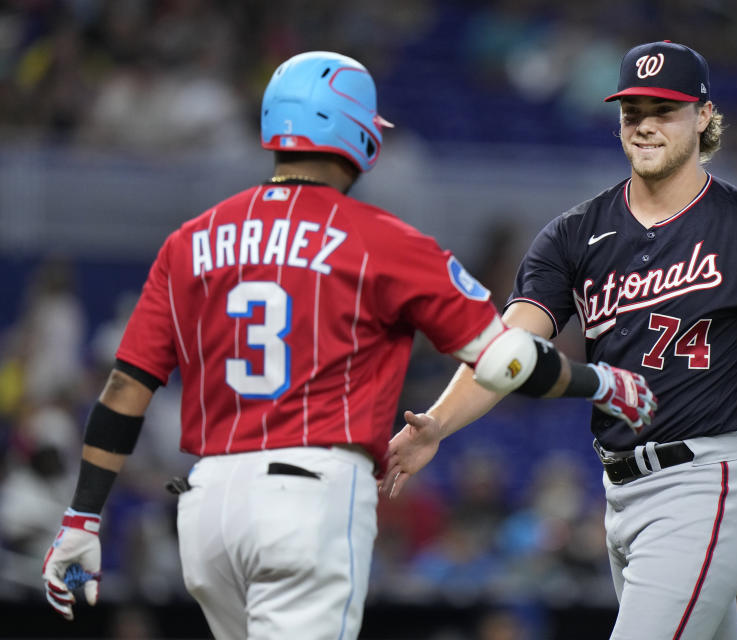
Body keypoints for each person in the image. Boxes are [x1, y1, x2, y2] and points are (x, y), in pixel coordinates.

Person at [40, 51, 656, 639]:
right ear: (360, 134)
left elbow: (125, 387)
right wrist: (600, 382)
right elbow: (506, 360)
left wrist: (81, 519)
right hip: (309, 499)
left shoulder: (190, 241)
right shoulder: (382, 240)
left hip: (206, 510)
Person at [384, 41, 737, 639]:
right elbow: (509, 348)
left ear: (704, 116)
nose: (646, 125)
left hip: (711, 486)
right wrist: (438, 423)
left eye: (665, 109)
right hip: (621, 496)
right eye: (634, 111)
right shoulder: (573, 235)